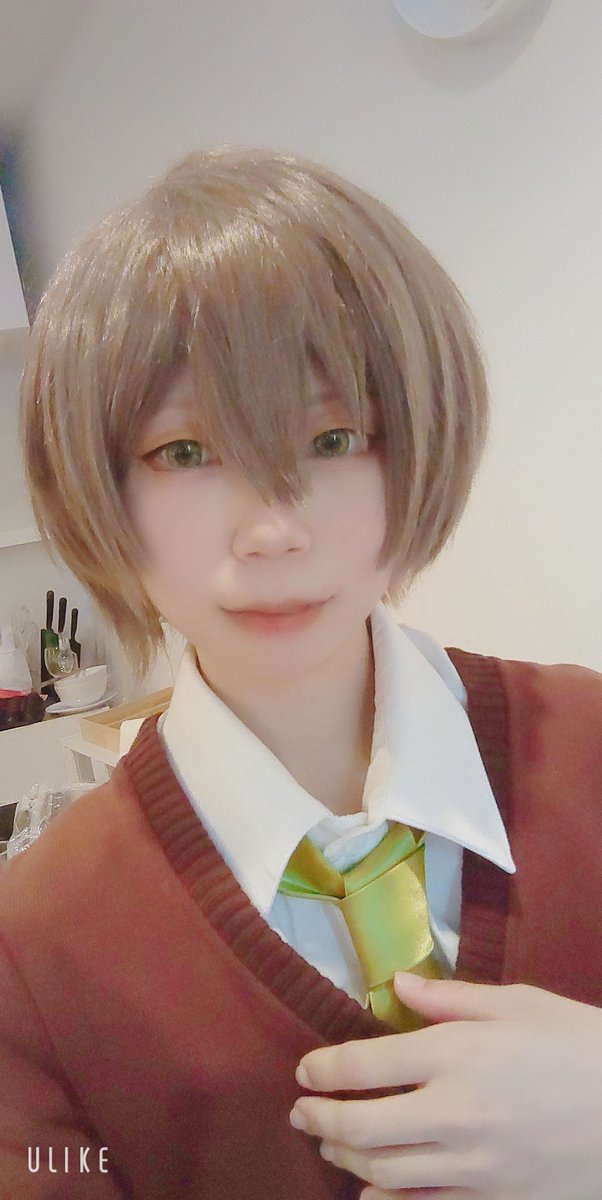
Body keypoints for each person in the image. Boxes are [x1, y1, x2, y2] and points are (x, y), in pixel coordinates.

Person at [1, 145, 600, 1200]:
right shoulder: (37, 956)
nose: (272, 530)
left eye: (331, 437)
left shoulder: (589, 747)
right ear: (99, 484)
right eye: (186, 453)